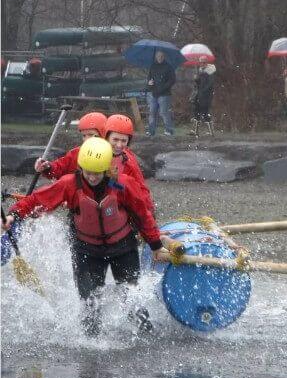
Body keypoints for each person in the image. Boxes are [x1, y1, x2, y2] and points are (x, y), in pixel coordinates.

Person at [3, 137, 168, 336]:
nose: (91, 177)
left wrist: (156, 245)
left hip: (123, 248)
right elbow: (38, 200)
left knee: (132, 299)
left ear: (107, 169)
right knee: (90, 304)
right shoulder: (69, 184)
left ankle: (147, 337)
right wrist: (14, 214)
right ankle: (92, 344)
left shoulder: (122, 184)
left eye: (97, 172)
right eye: (87, 171)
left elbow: (142, 215)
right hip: (86, 251)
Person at [34, 112, 108, 180]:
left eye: (91, 135)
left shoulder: (113, 156)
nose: (86, 139)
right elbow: (60, 168)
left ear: (103, 134)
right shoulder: (76, 153)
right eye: (84, 135)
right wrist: (48, 168)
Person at [105, 114, 155, 212]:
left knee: (124, 183)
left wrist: (149, 211)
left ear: (128, 142)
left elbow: (140, 188)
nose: (119, 145)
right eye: (115, 139)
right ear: (106, 138)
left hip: (118, 202)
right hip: (94, 197)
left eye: (124, 141)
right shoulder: (93, 152)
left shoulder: (129, 161)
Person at [146, 50, 175, 137]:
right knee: (152, 112)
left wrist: (162, 88)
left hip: (164, 94)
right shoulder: (152, 66)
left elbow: (172, 80)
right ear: (156, 56)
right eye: (158, 56)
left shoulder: (169, 67)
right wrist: (149, 82)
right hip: (153, 93)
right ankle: (151, 131)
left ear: (164, 57)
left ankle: (169, 130)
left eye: (161, 56)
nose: (160, 58)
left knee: (164, 112)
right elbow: (149, 78)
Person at [189, 56, 216, 137]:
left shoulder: (210, 71)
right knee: (196, 111)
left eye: (204, 62)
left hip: (206, 95)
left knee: (205, 112)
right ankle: (195, 131)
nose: (202, 64)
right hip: (198, 95)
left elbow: (210, 84)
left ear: (206, 63)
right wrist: (196, 79)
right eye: (201, 62)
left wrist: (203, 91)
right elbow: (197, 84)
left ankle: (211, 131)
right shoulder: (199, 70)